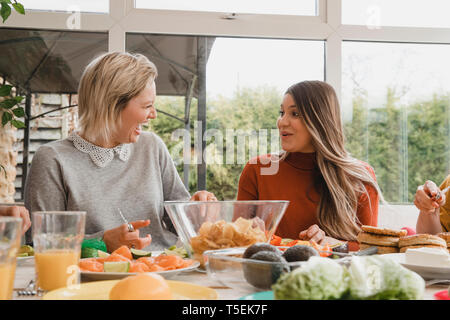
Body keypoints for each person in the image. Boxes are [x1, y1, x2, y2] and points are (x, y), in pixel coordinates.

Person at [24, 52, 216, 252]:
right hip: (87, 277)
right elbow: (41, 241)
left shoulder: (152, 146)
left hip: (163, 269)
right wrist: (102, 243)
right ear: (112, 105)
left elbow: (182, 223)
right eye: (147, 106)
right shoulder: (52, 159)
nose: (154, 114)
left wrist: (197, 210)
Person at [237, 80, 383, 250]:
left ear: (320, 120)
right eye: (282, 112)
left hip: (333, 275)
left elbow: (370, 249)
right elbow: (234, 245)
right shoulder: (257, 169)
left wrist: (332, 244)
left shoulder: (360, 177)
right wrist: (248, 234)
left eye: (295, 114)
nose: (282, 122)